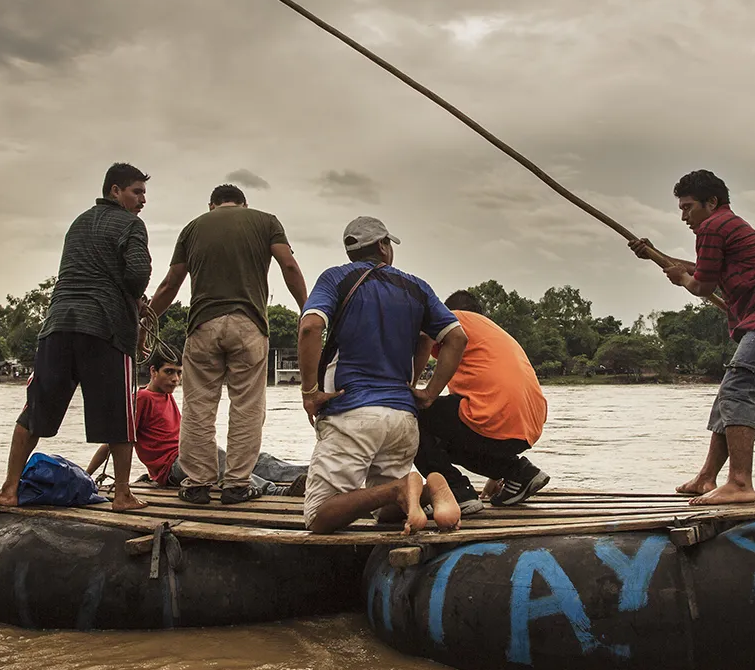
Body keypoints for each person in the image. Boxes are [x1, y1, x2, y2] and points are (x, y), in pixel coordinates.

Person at [630, 169, 755, 506]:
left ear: (711, 203)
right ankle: (706, 477)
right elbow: (704, 269)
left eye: (688, 208)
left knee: (737, 394)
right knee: (731, 400)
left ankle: (740, 483)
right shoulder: (727, 227)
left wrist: (683, 279)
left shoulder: (714, 226)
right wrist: (658, 256)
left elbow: (701, 284)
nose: (684, 216)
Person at [0, 163, 153, 512]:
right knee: (119, 417)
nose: (142, 200)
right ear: (115, 191)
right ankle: (122, 495)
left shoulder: (77, 224)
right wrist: (135, 297)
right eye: (136, 192)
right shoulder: (131, 225)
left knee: (35, 411)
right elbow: (137, 273)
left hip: (58, 326)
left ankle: (9, 489)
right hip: (105, 329)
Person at [297, 216, 468, 535]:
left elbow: (310, 326)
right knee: (386, 515)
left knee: (319, 517)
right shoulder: (416, 286)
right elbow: (455, 337)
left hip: (352, 413)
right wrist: (427, 392)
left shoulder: (335, 278)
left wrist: (310, 392)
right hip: (403, 418)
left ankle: (398, 490)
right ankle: (426, 489)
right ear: (382, 246)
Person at [148, 184, 309, 505]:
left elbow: (169, 284)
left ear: (212, 206)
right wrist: (307, 310)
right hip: (248, 326)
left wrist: (146, 322)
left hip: (203, 326)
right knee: (247, 407)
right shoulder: (265, 221)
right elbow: (288, 266)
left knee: (198, 407)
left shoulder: (192, 228)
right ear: (244, 204)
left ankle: (197, 485)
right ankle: (236, 485)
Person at [85, 349, 307, 495]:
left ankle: (307, 474)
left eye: (179, 373)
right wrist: (88, 475)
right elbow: (115, 442)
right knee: (217, 460)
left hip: (190, 454)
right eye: (169, 372)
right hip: (170, 469)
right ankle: (276, 492)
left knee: (254, 458)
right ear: (153, 371)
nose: (175, 379)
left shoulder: (167, 396)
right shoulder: (142, 398)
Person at [413, 289, 550, 512]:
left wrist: (416, 389)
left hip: (494, 416)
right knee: (447, 442)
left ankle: (456, 492)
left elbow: (423, 337)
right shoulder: (493, 332)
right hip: (527, 427)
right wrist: (496, 471)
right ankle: (519, 472)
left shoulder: (455, 318)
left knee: (412, 416)